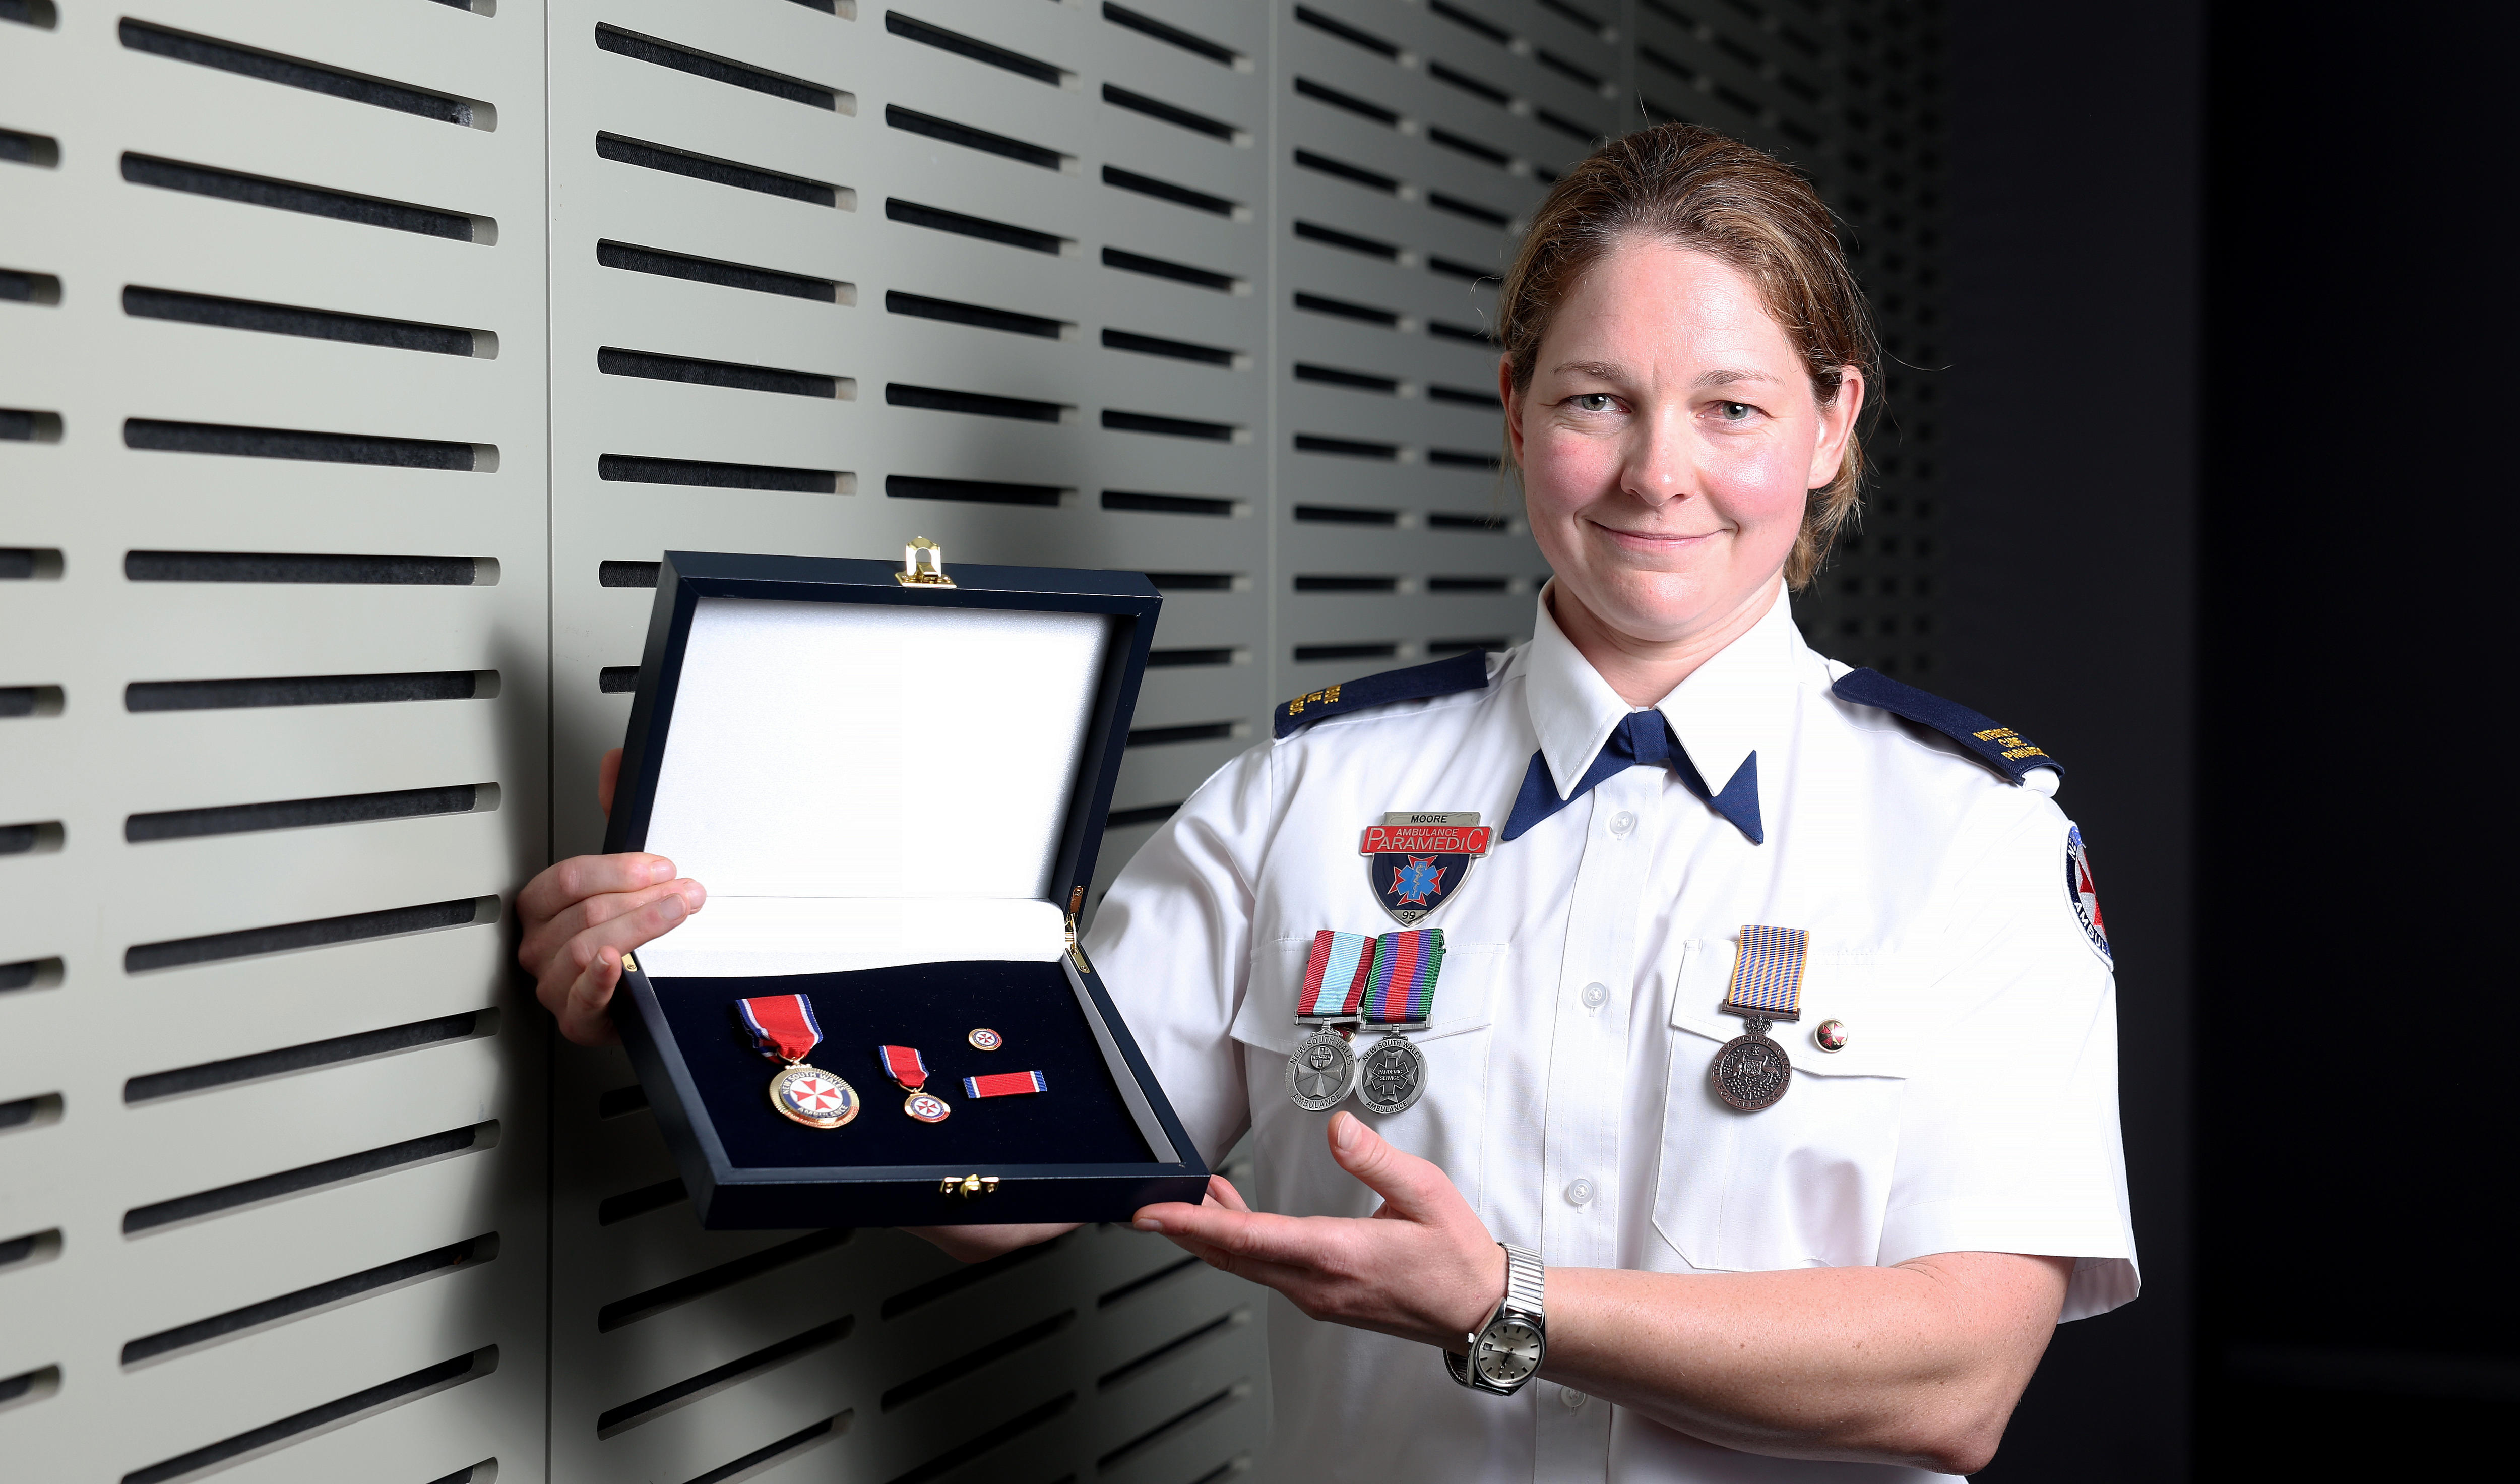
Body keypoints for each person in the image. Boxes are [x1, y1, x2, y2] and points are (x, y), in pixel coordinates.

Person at [517, 124, 2135, 1481]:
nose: (1658, 474)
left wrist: (1504, 1298)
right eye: (1595, 401)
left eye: (1732, 406)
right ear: (1515, 411)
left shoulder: (1973, 837)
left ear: (1833, 427)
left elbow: (1957, 1376)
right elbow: (1011, 1191)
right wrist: (710, 987)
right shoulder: (1305, 797)